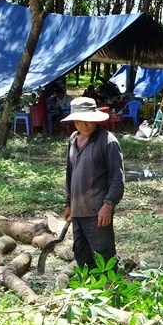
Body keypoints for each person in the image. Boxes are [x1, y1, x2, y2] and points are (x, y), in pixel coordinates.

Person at [61, 97, 125, 271]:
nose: (85, 124)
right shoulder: (73, 139)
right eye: (81, 120)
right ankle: (88, 291)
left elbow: (117, 179)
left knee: (104, 257)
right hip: (77, 210)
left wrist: (108, 205)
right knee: (82, 254)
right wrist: (68, 203)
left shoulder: (108, 142)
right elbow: (70, 174)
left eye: (89, 120)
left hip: (98, 211)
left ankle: (111, 292)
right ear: (74, 120)